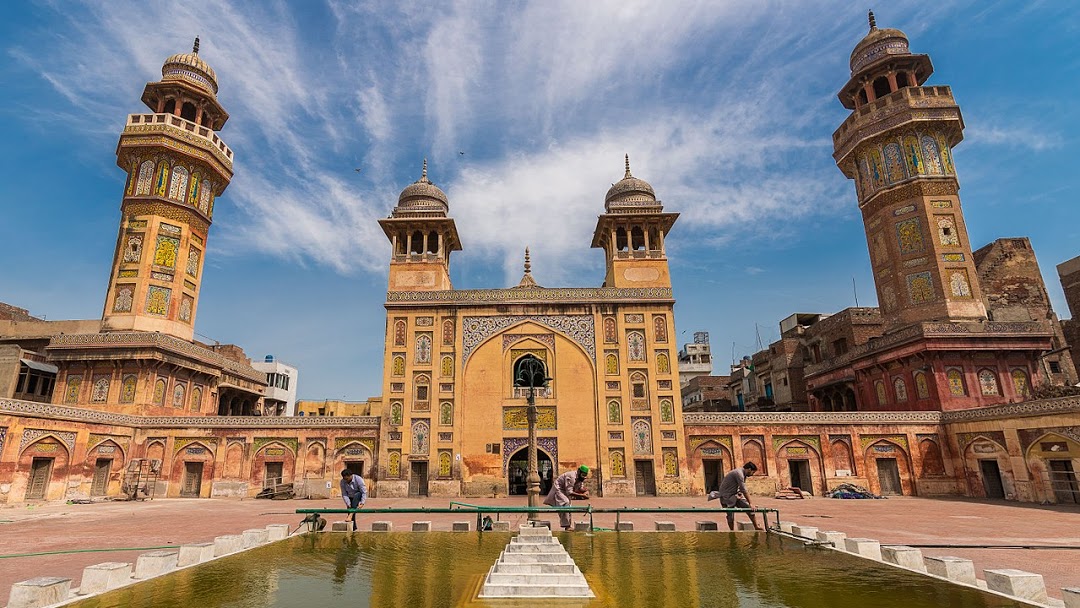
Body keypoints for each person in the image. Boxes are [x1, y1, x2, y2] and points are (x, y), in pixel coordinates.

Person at [717, 462, 762, 531]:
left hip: (734, 495)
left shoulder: (743, 475)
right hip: (726, 496)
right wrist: (751, 503)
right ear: (749, 469)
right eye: (753, 472)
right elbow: (744, 490)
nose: (752, 474)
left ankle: (756, 526)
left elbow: (740, 488)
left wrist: (740, 494)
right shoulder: (739, 473)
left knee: (749, 508)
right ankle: (732, 531)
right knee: (730, 515)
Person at [543, 465, 589, 530]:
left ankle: (568, 525)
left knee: (569, 507)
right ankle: (567, 526)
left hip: (565, 490)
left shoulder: (580, 478)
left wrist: (585, 490)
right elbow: (569, 492)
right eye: (583, 475)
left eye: (585, 475)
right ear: (579, 471)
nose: (583, 477)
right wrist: (582, 496)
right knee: (565, 503)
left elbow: (580, 488)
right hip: (559, 489)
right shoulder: (571, 476)